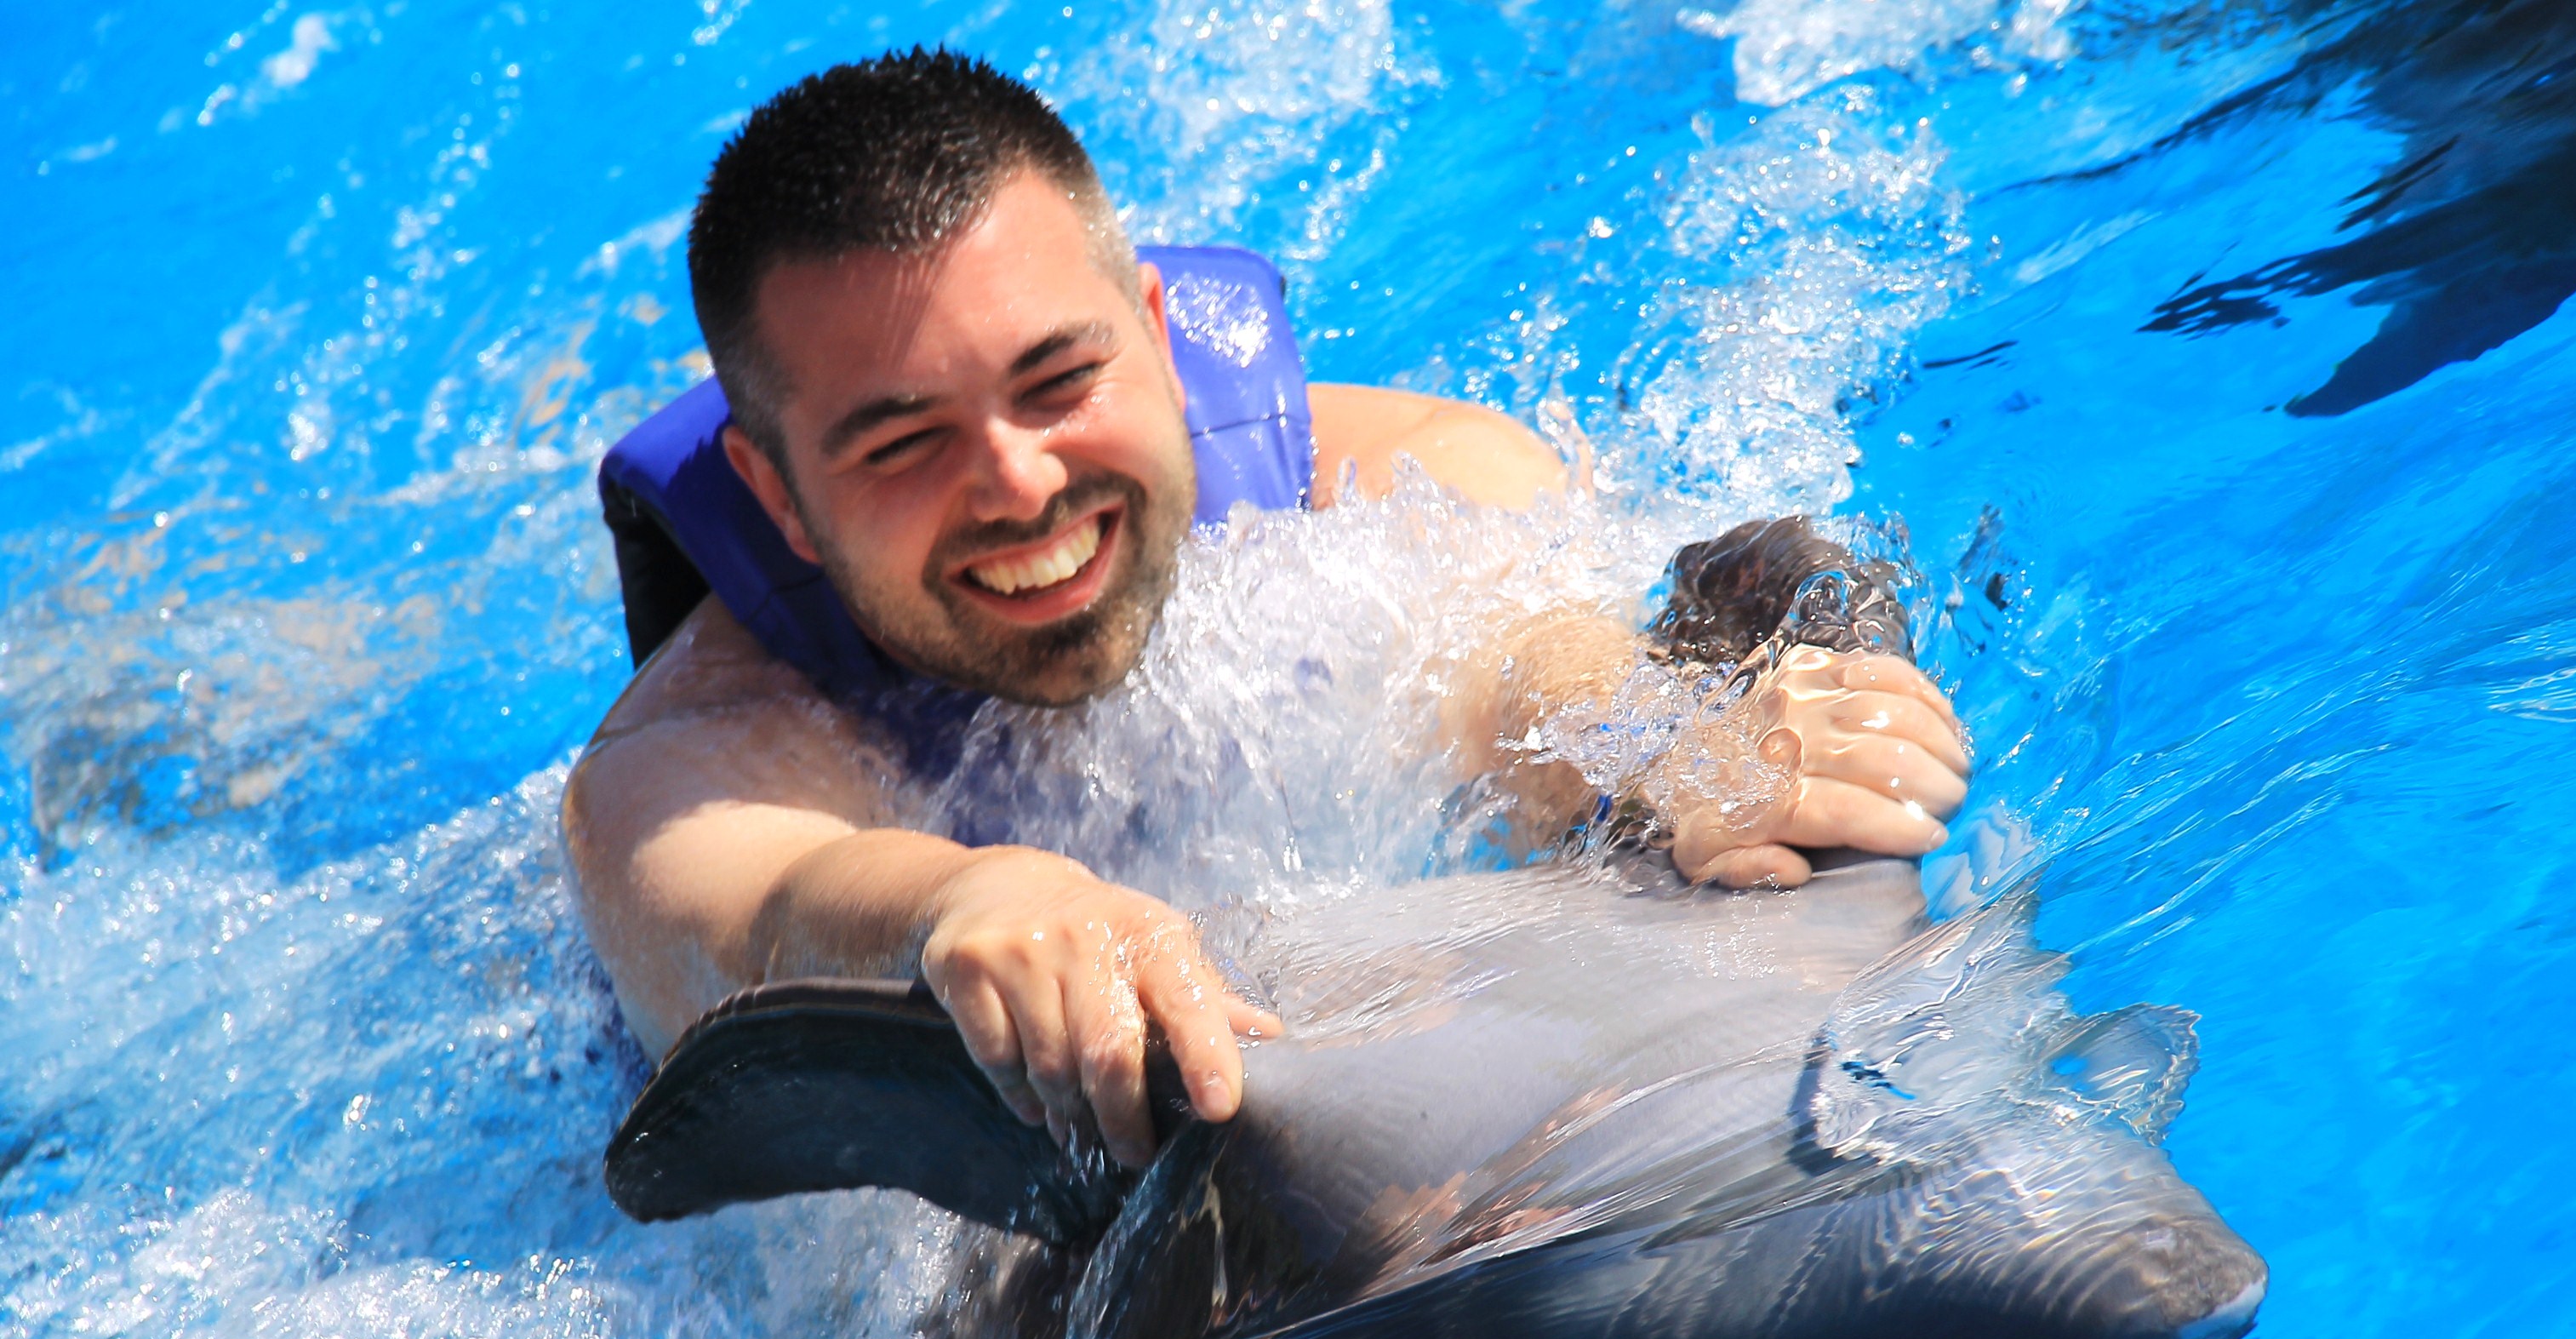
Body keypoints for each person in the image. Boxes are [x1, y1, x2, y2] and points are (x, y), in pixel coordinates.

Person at [563, 49, 1968, 1171]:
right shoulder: (685, 759)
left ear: (1158, 333)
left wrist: (1663, 739)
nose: (1020, 484)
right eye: (903, 443)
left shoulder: (1419, 473)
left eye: (1059, 381)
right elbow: (758, 903)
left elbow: (1505, 657)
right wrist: (961, 900)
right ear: (777, 491)